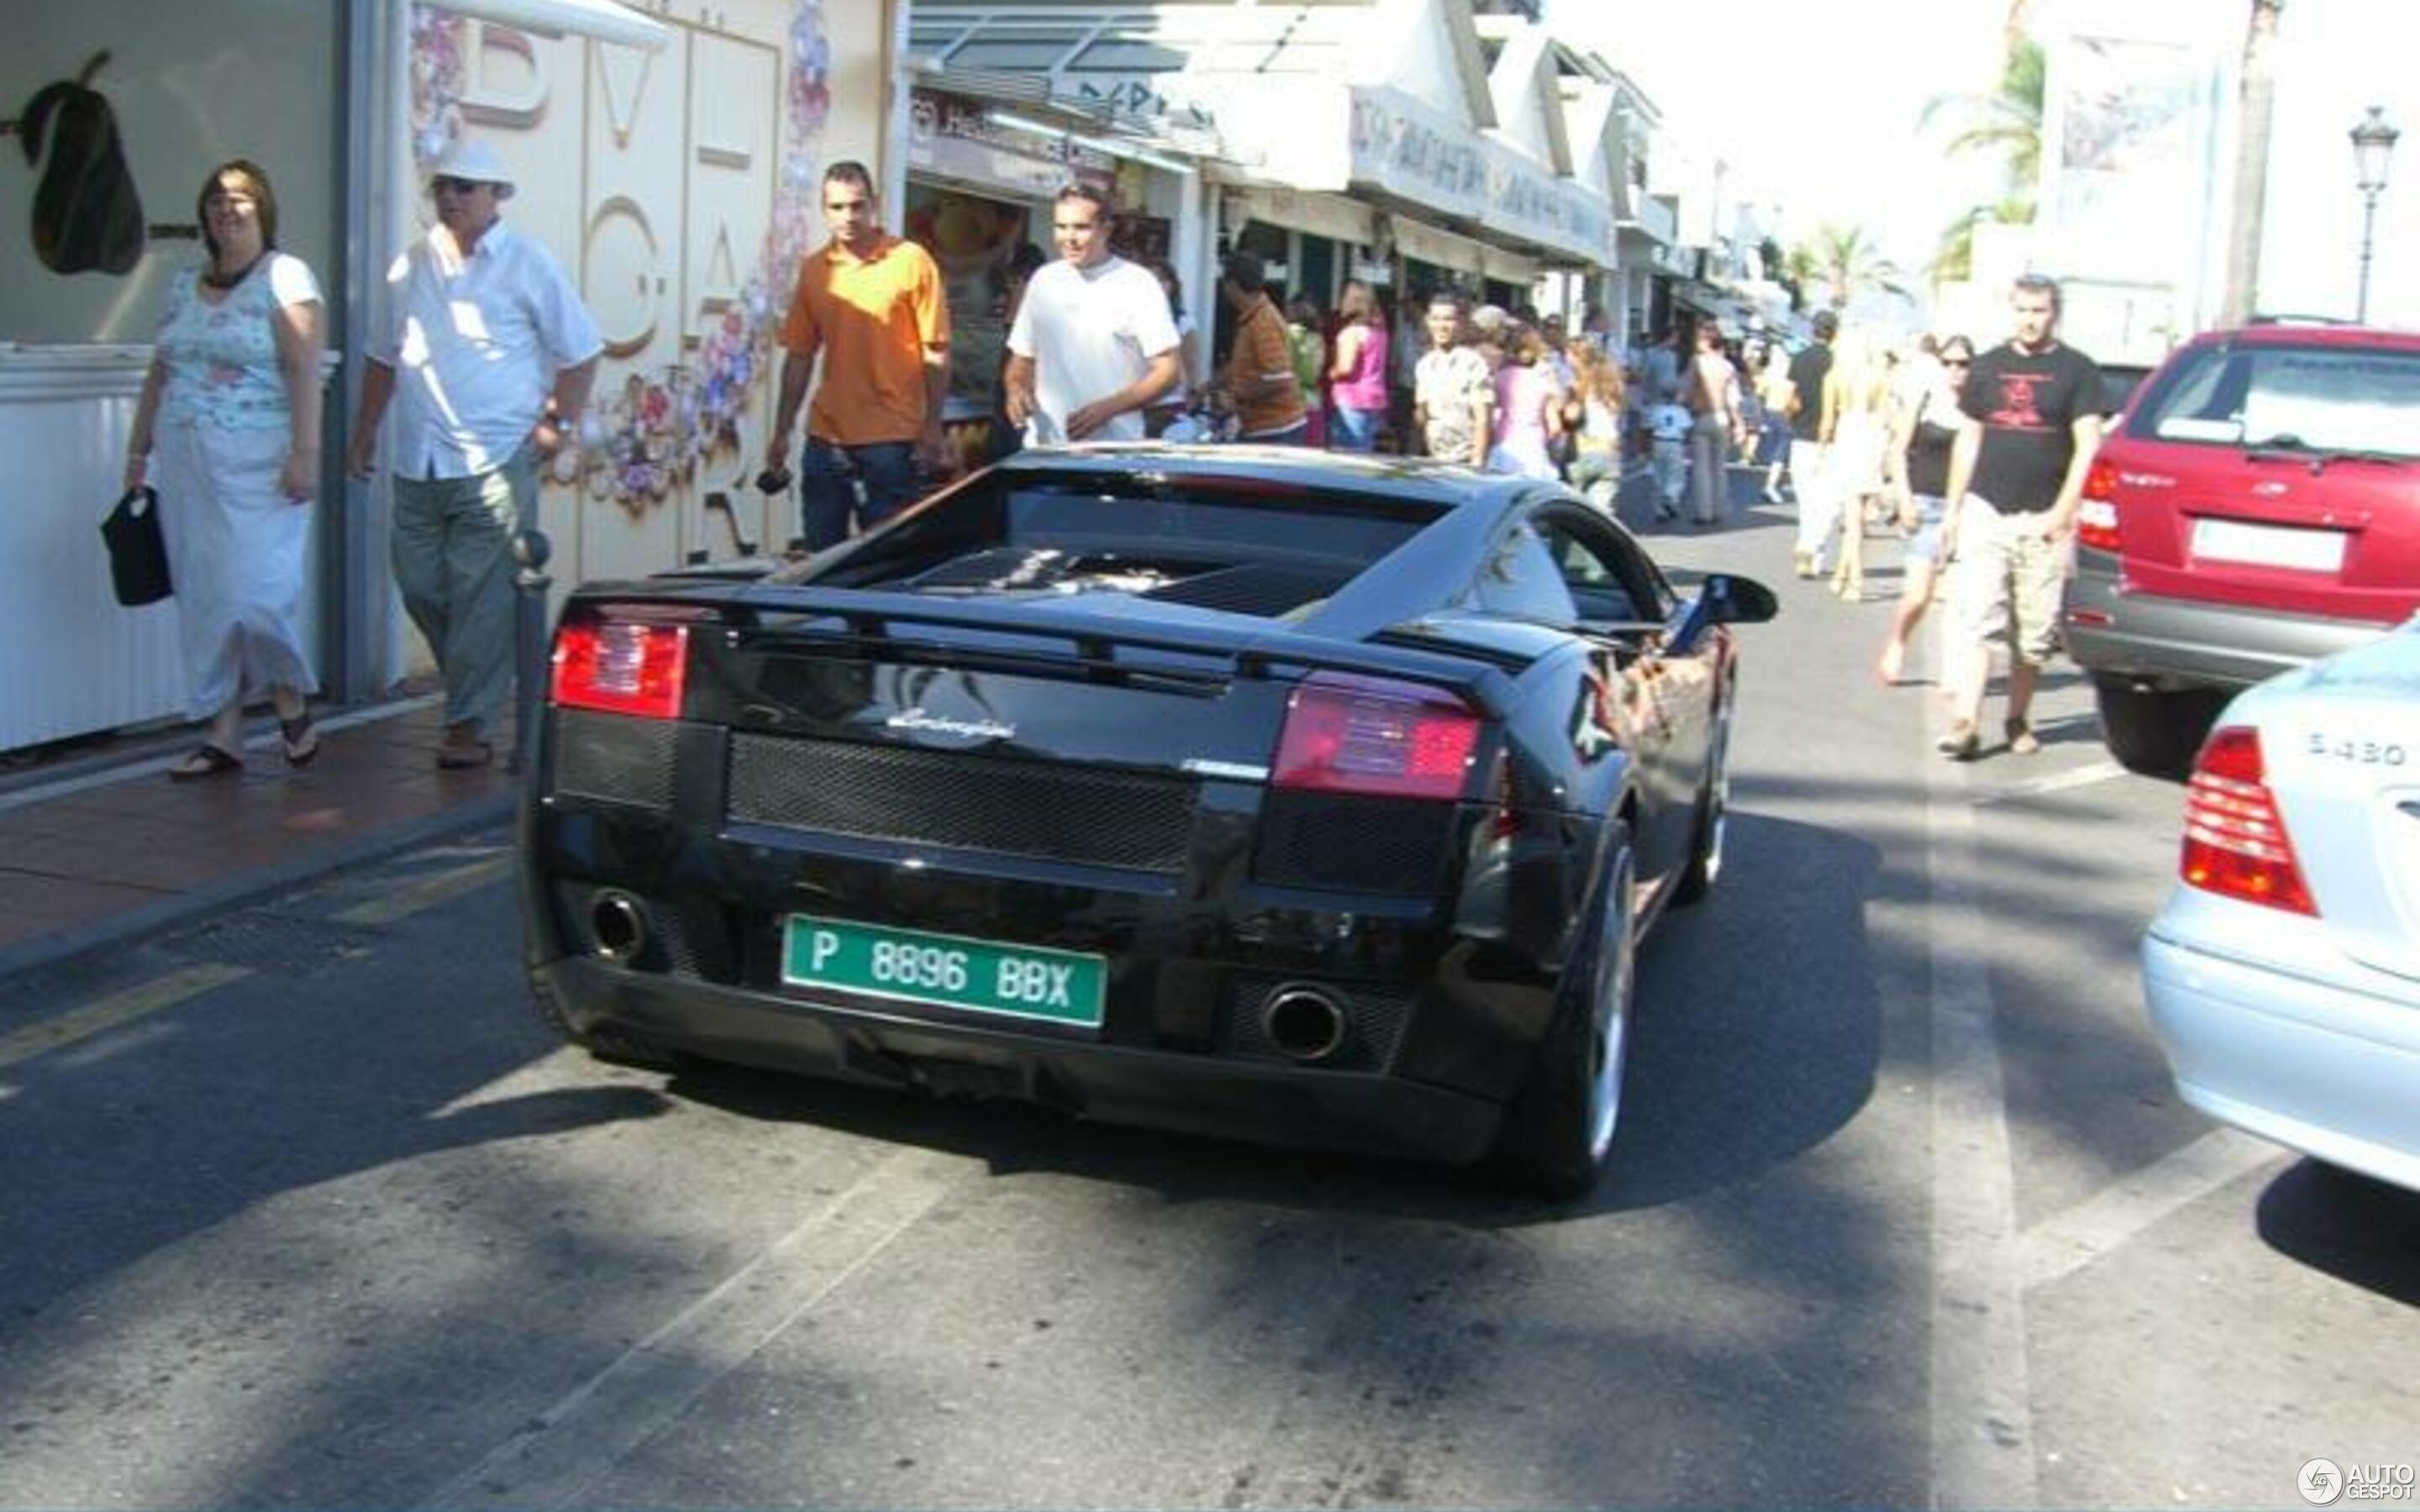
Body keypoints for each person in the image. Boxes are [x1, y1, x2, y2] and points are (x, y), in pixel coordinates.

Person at [346, 139, 601, 770]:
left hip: (494, 456)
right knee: (423, 586)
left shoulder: (527, 263)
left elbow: (581, 350)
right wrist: (364, 433)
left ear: (496, 197)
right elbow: (384, 355)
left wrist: (555, 427)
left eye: (466, 186)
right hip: (418, 458)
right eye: (443, 187)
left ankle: (469, 723)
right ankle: (482, 685)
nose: (452, 197)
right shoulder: (409, 267)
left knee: (482, 595)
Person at [123, 159, 324, 780]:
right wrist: (137, 452)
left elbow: (302, 367)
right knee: (206, 598)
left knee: (255, 595)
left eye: (239, 199)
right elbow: (162, 371)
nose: (225, 209)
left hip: (260, 462)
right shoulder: (184, 283)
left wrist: (305, 451)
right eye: (215, 200)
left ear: (263, 208)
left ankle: (289, 695)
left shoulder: (285, 276)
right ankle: (225, 731)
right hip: (186, 458)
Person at [1936, 274, 2105, 759]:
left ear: (2055, 314)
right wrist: (1952, 510)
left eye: (2040, 312)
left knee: (2033, 634)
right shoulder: (1987, 368)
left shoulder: (2079, 372)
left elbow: (2088, 447)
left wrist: (2063, 513)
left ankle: (2016, 716)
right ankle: (1965, 721)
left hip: (2043, 518)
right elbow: (1969, 439)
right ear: (2010, 312)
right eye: (2023, 311)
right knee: (1977, 619)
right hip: (1986, 510)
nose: (2030, 321)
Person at [761, 161, 950, 551]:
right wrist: (781, 431)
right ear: (824, 209)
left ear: (874, 205)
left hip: (893, 438)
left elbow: (936, 350)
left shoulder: (911, 260)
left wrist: (932, 425)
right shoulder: (816, 270)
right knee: (821, 559)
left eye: (857, 206)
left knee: (884, 562)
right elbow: (799, 356)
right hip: (826, 437)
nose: (848, 217)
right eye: (837, 207)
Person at [1003, 183, 1180, 445]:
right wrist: (1015, 389)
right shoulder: (1044, 280)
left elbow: (1169, 371)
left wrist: (1107, 409)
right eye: (1061, 227)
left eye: (1081, 227)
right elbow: (1022, 359)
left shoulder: (1137, 284)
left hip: (1113, 452)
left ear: (1106, 229)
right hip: (1046, 449)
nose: (1069, 237)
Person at [1877, 333, 1972, 684]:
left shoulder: (1977, 409)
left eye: (1963, 363)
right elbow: (1898, 450)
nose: (1955, 370)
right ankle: (1898, 641)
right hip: (1925, 504)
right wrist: (1903, 498)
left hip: (1962, 510)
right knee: (1918, 595)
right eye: (1948, 362)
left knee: (1957, 602)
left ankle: (1953, 672)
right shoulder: (1928, 400)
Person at [1818, 328, 1896, 601]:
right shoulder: (1880, 376)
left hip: (1849, 435)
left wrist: (1820, 452)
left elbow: (1828, 420)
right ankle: (1843, 574)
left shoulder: (1835, 377)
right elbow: (1888, 418)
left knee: (1851, 517)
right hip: (1873, 436)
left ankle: (1856, 579)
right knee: (1857, 516)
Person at [1217, 251, 1308, 444]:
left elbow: (1279, 379)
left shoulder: (1263, 321)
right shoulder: (1252, 317)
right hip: (1262, 427)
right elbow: (1240, 367)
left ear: (1232, 285)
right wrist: (1207, 387)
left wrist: (1238, 396)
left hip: (1277, 429)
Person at [1412, 291, 1493, 467]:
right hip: (1434, 459)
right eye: (1436, 319)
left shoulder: (1474, 364)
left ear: (1460, 323)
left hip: (1464, 460)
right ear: (1427, 321)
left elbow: (1483, 418)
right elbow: (1422, 416)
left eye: (1448, 319)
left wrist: (1477, 464)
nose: (1442, 326)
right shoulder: (1424, 365)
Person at [1788, 309, 1839, 575]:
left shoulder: (1798, 360)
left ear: (1813, 329)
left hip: (1802, 436)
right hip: (1833, 439)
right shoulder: (1839, 363)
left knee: (1807, 501)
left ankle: (1809, 547)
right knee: (1829, 502)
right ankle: (1813, 548)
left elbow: (1791, 399)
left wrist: (1794, 417)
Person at [1683, 320, 1744, 526]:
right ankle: (1719, 508)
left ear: (1706, 341)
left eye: (1699, 339)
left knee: (1701, 467)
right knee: (1719, 467)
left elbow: (1686, 390)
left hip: (1702, 416)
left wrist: (1684, 402)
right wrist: (1739, 424)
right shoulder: (1728, 366)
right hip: (1723, 417)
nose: (1696, 342)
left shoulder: (1697, 362)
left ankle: (1704, 512)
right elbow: (1734, 399)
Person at [1487, 323, 1564, 480]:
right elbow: (1555, 426)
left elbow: (1490, 413)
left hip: (1504, 446)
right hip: (1533, 447)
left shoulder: (1499, 378)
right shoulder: (1543, 380)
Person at [1563, 344, 1627, 513]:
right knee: (1600, 513)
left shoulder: (1580, 386)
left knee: (1573, 512)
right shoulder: (1615, 387)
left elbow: (1571, 416)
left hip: (1583, 450)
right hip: (1609, 450)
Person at [1327, 281, 1390, 453]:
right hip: (1374, 398)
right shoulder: (1379, 332)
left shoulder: (1352, 332)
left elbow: (1345, 368)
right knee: (1365, 450)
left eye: (1345, 298)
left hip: (1352, 399)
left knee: (1348, 454)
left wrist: (1331, 373)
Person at [1144, 259, 1198, 438]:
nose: (1156, 286)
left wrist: (1192, 395)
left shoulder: (1183, 322)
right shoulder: (1134, 322)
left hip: (1171, 405)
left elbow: (1191, 366)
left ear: (1172, 285)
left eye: (1161, 280)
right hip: (1139, 404)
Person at [1755, 343, 1797, 504]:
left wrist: (1761, 418)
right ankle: (1771, 486)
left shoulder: (1768, 373)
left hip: (1771, 412)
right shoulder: (1790, 373)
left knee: (1777, 453)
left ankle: (1772, 485)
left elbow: (1760, 395)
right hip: (1785, 414)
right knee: (1781, 454)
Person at [1284, 297, 1328, 447]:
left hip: (1291, 397)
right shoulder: (1318, 338)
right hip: (1313, 397)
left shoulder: (1289, 334)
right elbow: (1316, 371)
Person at [1647, 395, 1693, 521]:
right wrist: (1688, 446)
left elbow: (1650, 428)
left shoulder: (1656, 410)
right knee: (1676, 475)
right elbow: (1687, 429)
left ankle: (1660, 509)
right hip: (1675, 443)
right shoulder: (1681, 411)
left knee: (1660, 475)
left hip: (1658, 442)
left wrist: (1647, 448)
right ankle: (1670, 496)